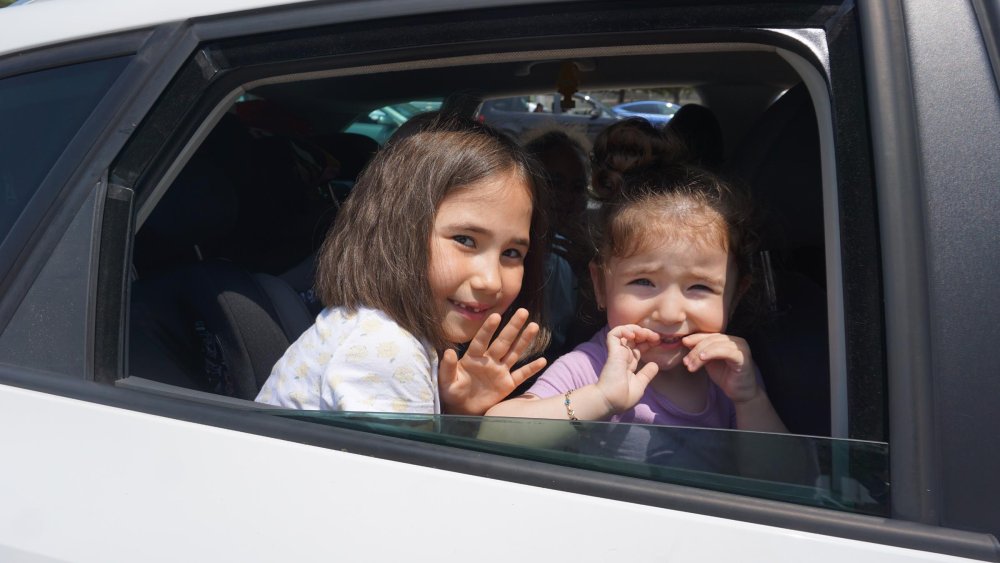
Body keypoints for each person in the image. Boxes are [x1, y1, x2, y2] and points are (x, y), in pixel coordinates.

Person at [487, 119, 786, 433]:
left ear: (735, 296)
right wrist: (600, 399)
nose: (670, 314)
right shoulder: (593, 366)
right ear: (601, 285)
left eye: (699, 287)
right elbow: (495, 431)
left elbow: (786, 478)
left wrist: (750, 399)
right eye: (643, 282)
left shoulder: (733, 373)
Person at [256, 116, 550, 415]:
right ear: (397, 233)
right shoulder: (388, 350)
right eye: (465, 239)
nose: (491, 281)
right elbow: (407, 463)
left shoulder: (382, 331)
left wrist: (456, 410)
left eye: (512, 253)